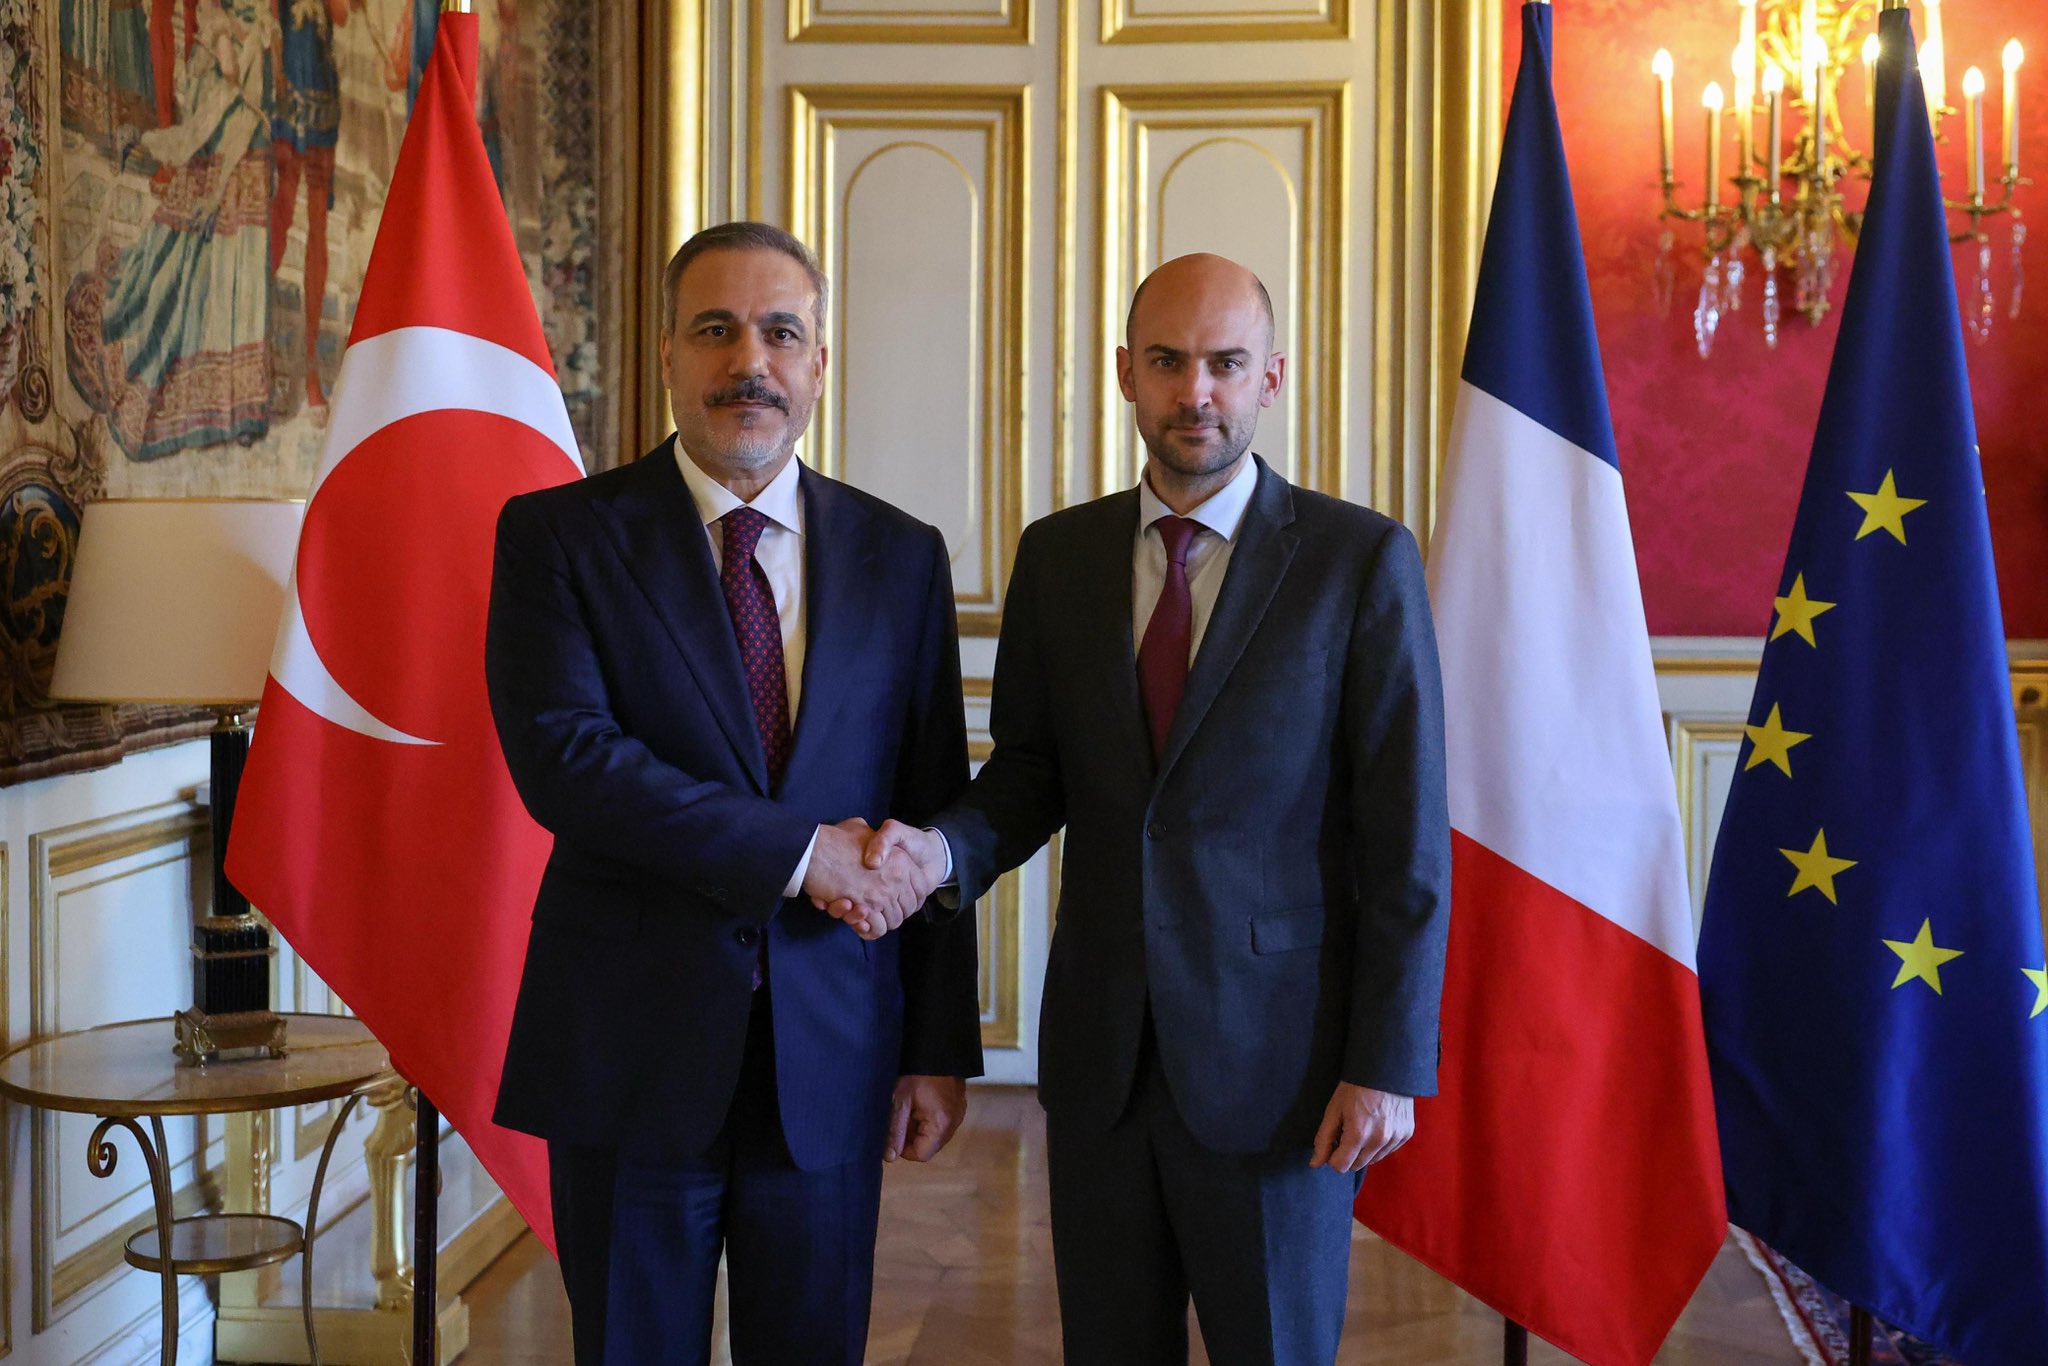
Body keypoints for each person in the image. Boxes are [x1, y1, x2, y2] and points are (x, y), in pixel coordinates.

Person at [852, 253, 1451, 1364]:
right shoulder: (1059, 555)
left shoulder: (1357, 560)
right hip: (1102, 1064)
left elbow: (1404, 838)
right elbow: (1030, 771)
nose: (1196, 392)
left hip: (1281, 1069)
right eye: (1169, 362)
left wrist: (1388, 1063)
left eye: (1225, 364)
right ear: (1126, 373)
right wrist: (936, 851)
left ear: (1270, 378)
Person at [485, 221, 983, 1366]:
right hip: (628, 1049)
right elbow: (567, 760)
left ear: (818, 364)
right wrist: (803, 854)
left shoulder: (900, 555)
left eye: (779, 333)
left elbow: (926, 800)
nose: (747, 361)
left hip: (831, 1055)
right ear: (666, 352)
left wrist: (935, 1045)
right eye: (714, 330)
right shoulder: (560, 536)